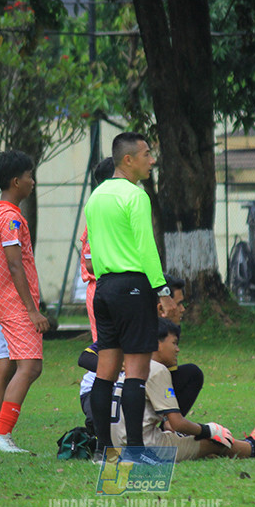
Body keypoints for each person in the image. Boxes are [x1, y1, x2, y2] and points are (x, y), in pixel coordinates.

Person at [84, 132, 178, 462]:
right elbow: (146, 248)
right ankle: (136, 451)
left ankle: (101, 449)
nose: (152, 160)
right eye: (147, 154)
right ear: (128, 160)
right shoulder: (135, 196)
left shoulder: (95, 198)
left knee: (106, 372)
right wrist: (162, 290)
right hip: (133, 287)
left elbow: (93, 254)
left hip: (104, 289)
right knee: (136, 372)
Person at [108, 319, 255, 461]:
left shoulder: (129, 365)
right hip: (147, 449)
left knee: (200, 443)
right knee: (216, 443)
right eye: (174, 343)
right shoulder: (156, 369)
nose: (178, 349)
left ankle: (250, 442)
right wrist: (210, 430)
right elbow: (177, 423)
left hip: (119, 447)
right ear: (155, 343)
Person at [0, 150, 49, 454]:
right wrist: (32, 310)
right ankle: (2, 433)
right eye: (29, 176)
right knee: (31, 367)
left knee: (4, 367)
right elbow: (14, 265)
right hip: (13, 304)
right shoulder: (9, 218)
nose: (32, 182)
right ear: (15, 181)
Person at [79, 273, 201, 433]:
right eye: (178, 304)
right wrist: (117, 366)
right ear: (161, 307)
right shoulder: (131, 323)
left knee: (192, 374)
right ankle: (98, 436)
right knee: (103, 422)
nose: (182, 309)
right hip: (104, 388)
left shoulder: (169, 331)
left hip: (139, 386)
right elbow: (84, 358)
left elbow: (167, 376)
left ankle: (169, 428)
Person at [80, 157, 119, 342]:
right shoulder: (97, 213)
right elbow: (90, 264)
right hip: (101, 286)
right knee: (105, 349)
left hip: (115, 286)